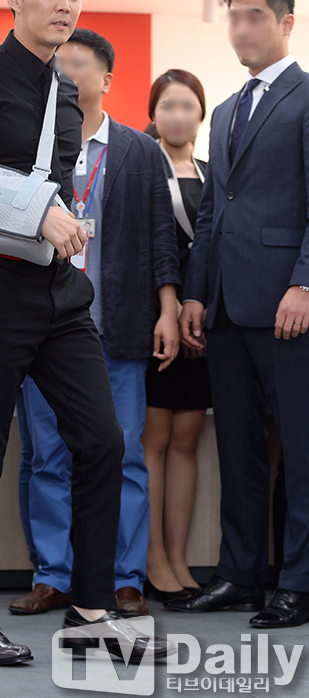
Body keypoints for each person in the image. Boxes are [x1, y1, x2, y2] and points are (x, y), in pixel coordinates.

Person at [0, 0, 169, 666]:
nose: (64, 4)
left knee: (103, 443)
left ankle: (92, 612)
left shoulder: (66, 93)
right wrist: (37, 210)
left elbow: (60, 189)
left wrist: (59, 216)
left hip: (62, 299)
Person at [9, 29, 181, 619]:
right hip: (47, 331)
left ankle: (123, 578)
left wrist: (167, 308)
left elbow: (162, 237)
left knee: (126, 457)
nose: (67, 72)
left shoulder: (139, 150)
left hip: (120, 328)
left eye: (80, 63)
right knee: (49, 458)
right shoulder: (30, 148)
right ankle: (54, 576)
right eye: (59, 63)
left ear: (106, 79)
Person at [175, 0, 309, 629]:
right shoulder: (225, 110)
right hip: (226, 307)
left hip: (289, 305)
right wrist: (196, 294)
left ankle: (298, 582)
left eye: (254, 16)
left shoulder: (306, 98)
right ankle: (241, 573)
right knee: (238, 448)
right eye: (233, 17)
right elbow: (213, 215)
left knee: (302, 450)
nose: (241, 29)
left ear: (286, 23)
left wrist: (305, 283)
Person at [142, 69, 212, 603]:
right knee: (154, 441)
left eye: (187, 105)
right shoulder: (142, 167)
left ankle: (179, 557)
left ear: (201, 113)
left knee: (187, 441)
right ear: (153, 113)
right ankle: (151, 561)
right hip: (153, 319)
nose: (178, 115)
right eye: (168, 105)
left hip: (203, 321)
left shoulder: (212, 172)